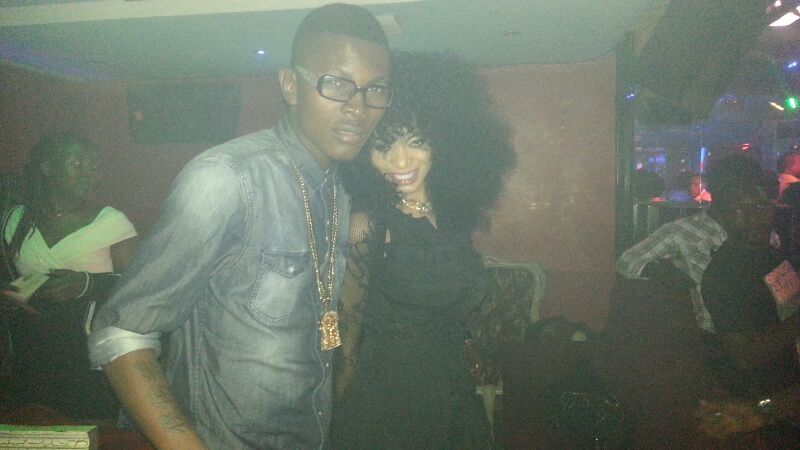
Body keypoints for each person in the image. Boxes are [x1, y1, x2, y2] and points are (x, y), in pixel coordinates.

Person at [87, 4, 391, 449]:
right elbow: (122, 332)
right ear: (290, 85)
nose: (359, 108)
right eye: (337, 83)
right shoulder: (225, 179)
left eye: (375, 89)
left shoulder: (339, 190)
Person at [331, 51, 515, 449]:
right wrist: (338, 400)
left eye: (416, 142)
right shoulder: (367, 225)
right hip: (389, 400)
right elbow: (342, 323)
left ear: (443, 142)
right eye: (382, 147)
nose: (399, 160)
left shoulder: (450, 217)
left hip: (451, 388)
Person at [1, 132, 138, 419]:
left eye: (94, 165)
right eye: (78, 163)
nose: (91, 173)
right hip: (31, 356)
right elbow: (7, 279)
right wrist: (10, 294)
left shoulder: (110, 222)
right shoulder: (15, 220)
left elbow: (138, 288)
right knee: (35, 431)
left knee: (87, 432)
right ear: (47, 168)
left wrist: (86, 284)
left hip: (88, 360)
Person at [617, 155, 767, 333]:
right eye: (736, 190)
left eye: (753, 191)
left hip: (763, 331)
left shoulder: (763, 231)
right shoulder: (683, 230)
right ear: (716, 190)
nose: (745, 197)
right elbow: (626, 261)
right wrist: (667, 275)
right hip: (712, 336)